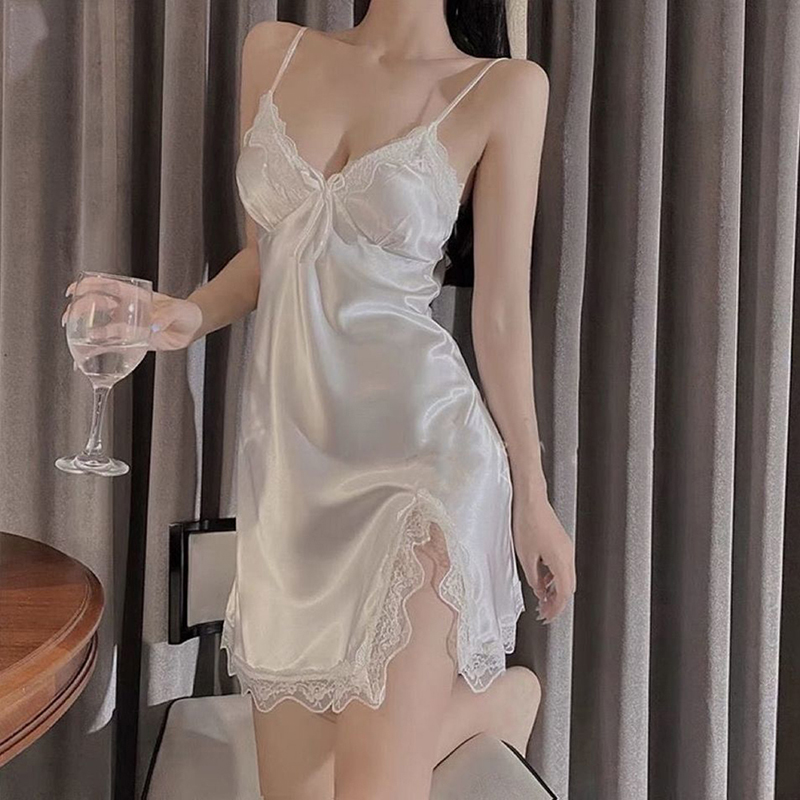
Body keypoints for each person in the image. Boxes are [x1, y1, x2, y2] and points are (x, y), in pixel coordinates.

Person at [65, 3, 575, 798]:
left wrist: (532, 496)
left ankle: (476, 706)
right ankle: (489, 705)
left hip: (424, 465)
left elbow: (503, 312)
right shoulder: (275, 50)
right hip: (291, 481)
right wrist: (183, 316)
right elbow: (269, 254)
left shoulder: (504, 88)